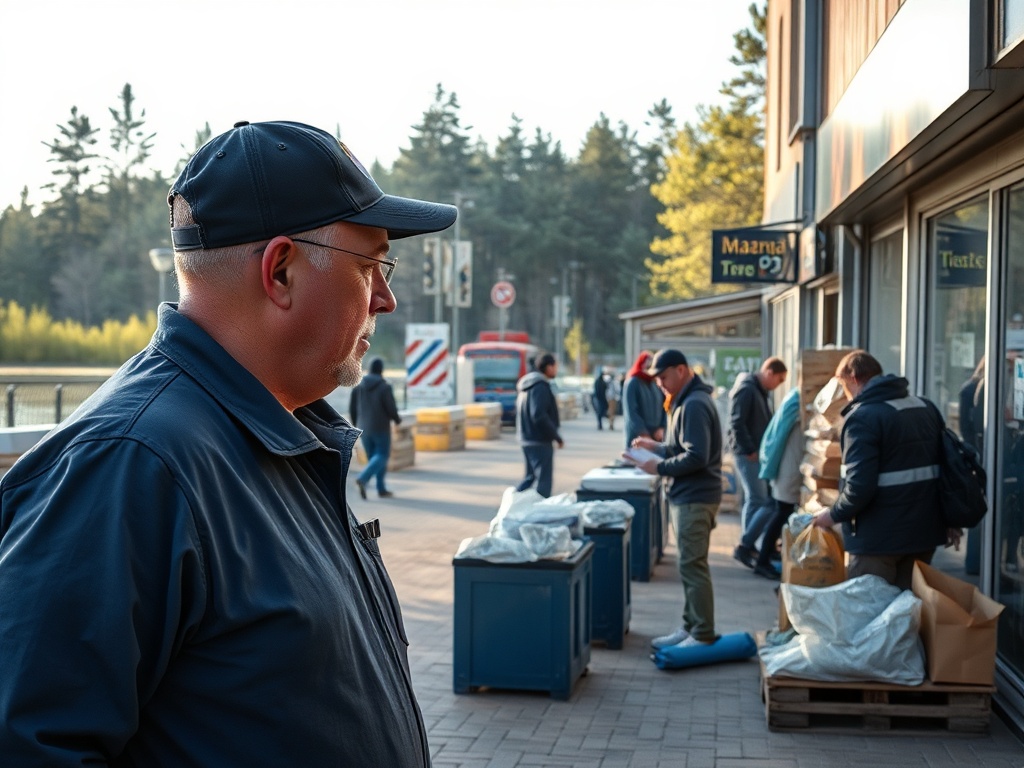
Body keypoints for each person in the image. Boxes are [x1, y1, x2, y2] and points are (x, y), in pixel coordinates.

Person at [0, 120, 457, 766]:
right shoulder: (132, 464)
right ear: (280, 271)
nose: (387, 297)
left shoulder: (270, 434)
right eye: (373, 264)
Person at [811, 350, 952, 590]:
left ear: (853, 379)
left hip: (879, 541)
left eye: (843, 385)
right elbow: (948, 468)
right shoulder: (925, 407)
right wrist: (950, 518)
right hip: (925, 533)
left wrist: (832, 515)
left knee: (870, 615)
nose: (845, 394)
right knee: (908, 613)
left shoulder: (862, 418)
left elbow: (859, 487)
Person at [628, 349, 722, 648]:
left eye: (664, 377)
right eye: (656, 380)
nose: (660, 385)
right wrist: (655, 447)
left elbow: (696, 456)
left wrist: (659, 466)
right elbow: (681, 447)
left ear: (681, 370)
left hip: (696, 496)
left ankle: (702, 633)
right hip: (689, 495)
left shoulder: (693, 404)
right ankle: (690, 626)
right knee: (689, 566)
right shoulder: (686, 401)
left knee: (693, 566)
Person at [729, 357, 789, 568]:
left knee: (754, 500)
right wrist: (749, 449)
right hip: (748, 454)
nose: (778, 385)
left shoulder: (757, 390)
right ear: (769, 373)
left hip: (752, 453)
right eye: (779, 380)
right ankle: (745, 545)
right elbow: (736, 421)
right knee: (760, 500)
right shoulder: (748, 389)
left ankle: (749, 544)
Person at [750, 387, 802, 581]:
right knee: (780, 513)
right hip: (788, 473)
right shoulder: (798, 409)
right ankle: (761, 558)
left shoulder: (791, 403)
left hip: (784, 471)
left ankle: (764, 554)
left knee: (779, 512)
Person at [350, 357, 402, 499]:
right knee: (382, 456)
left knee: (373, 458)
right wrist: (397, 420)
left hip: (363, 428)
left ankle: (381, 488)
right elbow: (390, 407)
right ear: (381, 370)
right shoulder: (385, 387)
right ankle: (363, 478)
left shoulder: (359, 386)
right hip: (381, 427)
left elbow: (353, 408)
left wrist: (356, 426)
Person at [515, 351, 564, 497]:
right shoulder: (540, 387)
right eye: (555, 366)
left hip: (527, 439)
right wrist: (556, 436)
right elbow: (538, 414)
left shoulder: (527, 386)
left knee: (530, 477)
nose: (556, 370)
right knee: (544, 482)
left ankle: (514, 502)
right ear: (549, 367)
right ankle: (541, 513)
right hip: (539, 441)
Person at [623, 350, 667, 448]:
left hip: (656, 437)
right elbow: (631, 413)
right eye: (648, 366)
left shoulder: (655, 384)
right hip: (636, 438)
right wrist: (643, 433)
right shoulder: (632, 383)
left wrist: (662, 427)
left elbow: (665, 406)